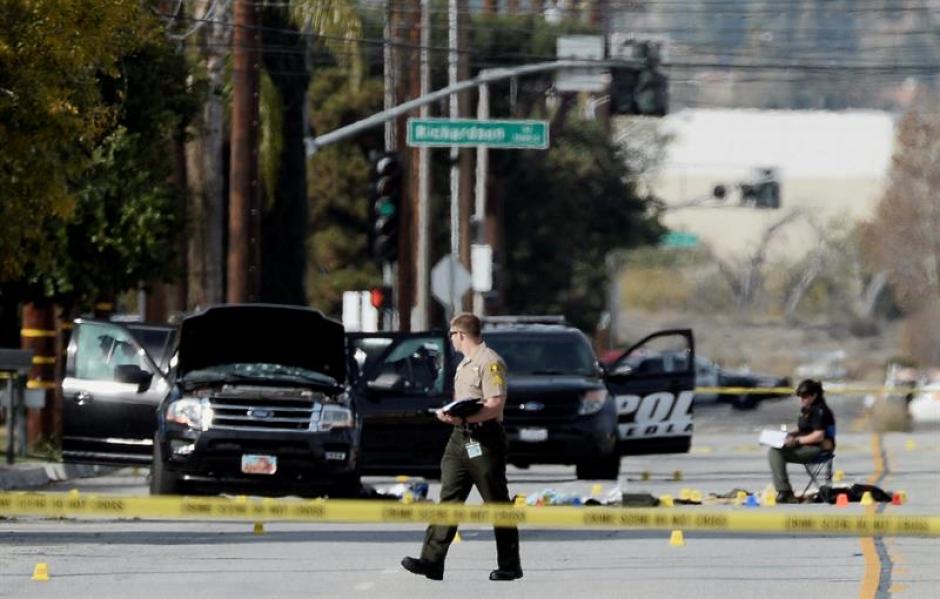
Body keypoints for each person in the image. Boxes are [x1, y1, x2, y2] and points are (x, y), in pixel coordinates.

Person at [401, 313, 522, 582]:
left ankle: (510, 564)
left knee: (496, 502)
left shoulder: (489, 362)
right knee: (448, 498)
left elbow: (495, 405)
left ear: (461, 335)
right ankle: (432, 561)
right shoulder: (464, 364)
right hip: (460, 437)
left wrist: (464, 417)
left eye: (452, 336)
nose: (451, 341)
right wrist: (451, 415)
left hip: (485, 438)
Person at [768, 378, 836, 503]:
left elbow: (819, 435)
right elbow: (802, 428)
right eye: (800, 397)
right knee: (775, 449)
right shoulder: (808, 409)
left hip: (817, 449)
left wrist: (797, 441)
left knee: (776, 452)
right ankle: (784, 491)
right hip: (807, 445)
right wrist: (789, 435)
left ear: (814, 395)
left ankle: (785, 492)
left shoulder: (820, 410)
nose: (802, 399)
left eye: (805, 396)